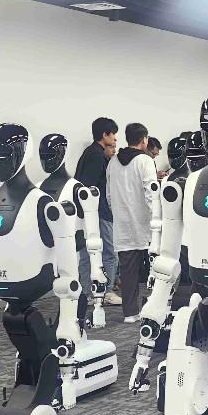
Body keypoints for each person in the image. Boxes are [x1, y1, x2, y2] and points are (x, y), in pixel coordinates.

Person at [107, 122, 158, 322]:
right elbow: (151, 193)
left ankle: (130, 313)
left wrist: (118, 214)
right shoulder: (145, 161)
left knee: (128, 272)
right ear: (144, 140)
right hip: (146, 225)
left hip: (122, 225)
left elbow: (109, 195)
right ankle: (155, 309)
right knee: (156, 268)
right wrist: (157, 219)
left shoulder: (113, 162)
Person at [76, 117, 122, 306]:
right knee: (109, 252)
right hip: (99, 212)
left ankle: (87, 293)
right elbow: (89, 188)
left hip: (89, 213)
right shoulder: (96, 155)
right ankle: (107, 291)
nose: (115, 138)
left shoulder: (90, 153)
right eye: (113, 134)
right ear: (104, 134)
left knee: (87, 254)